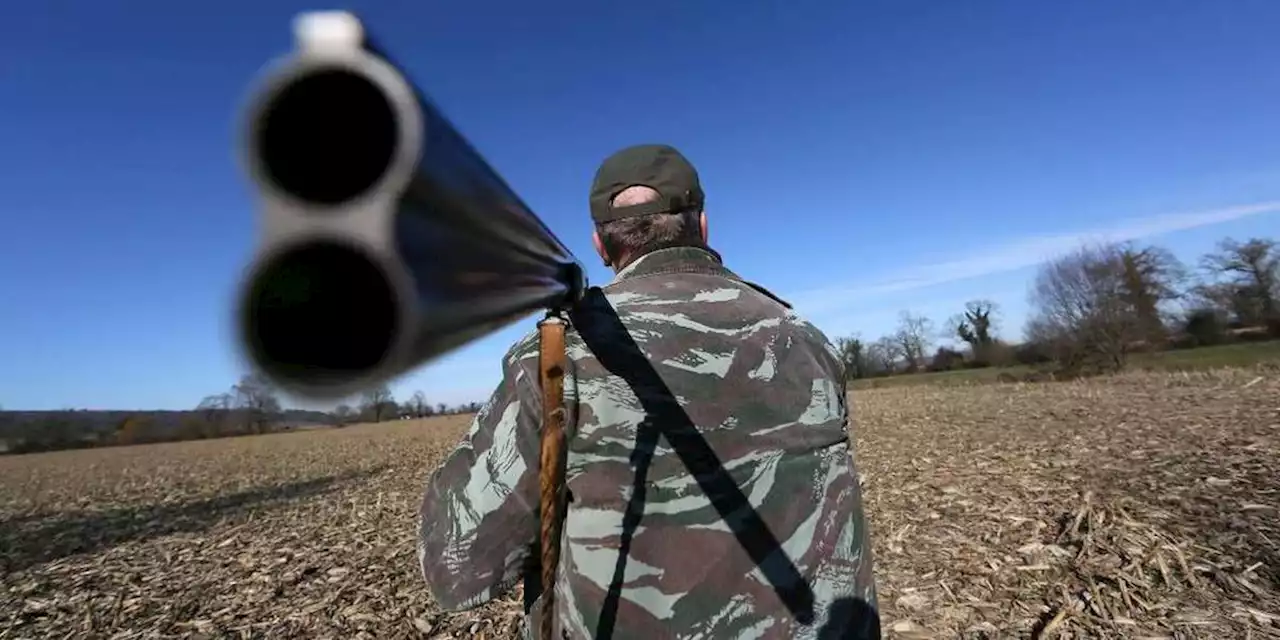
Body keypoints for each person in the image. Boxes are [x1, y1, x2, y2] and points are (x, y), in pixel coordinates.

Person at [417, 144, 880, 639]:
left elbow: (458, 570)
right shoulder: (806, 338)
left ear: (600, 244)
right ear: (702, 226)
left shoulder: (554, 355)